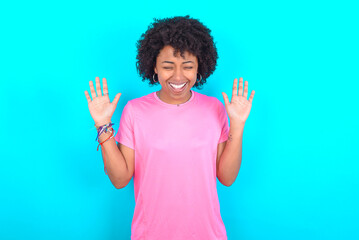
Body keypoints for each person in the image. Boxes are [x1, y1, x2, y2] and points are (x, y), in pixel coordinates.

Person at [84, 15, 255, 240]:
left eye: (187, 67)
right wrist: (102, 124)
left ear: (199, 68)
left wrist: (238, 125)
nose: (177, 76)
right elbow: (120, 179)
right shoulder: (135, 111)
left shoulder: (214, 108)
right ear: (154, 66)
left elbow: (227, 177)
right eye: (167, 66)